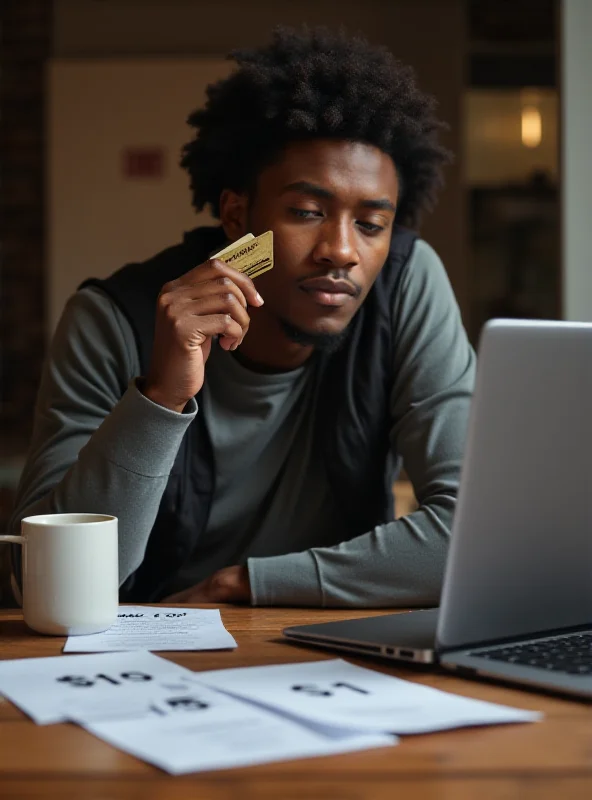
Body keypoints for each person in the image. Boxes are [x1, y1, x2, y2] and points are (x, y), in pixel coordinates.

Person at [9, 26, 475, 607]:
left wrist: (245, 583)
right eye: (307, 211)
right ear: (237, 218)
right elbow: (43, 579)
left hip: (335, 649)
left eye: (372, 224)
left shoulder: (405, 284)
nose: (342, 250)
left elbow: (475, 535)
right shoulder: (111, 321)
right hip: (150, 657)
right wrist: (159, 398)